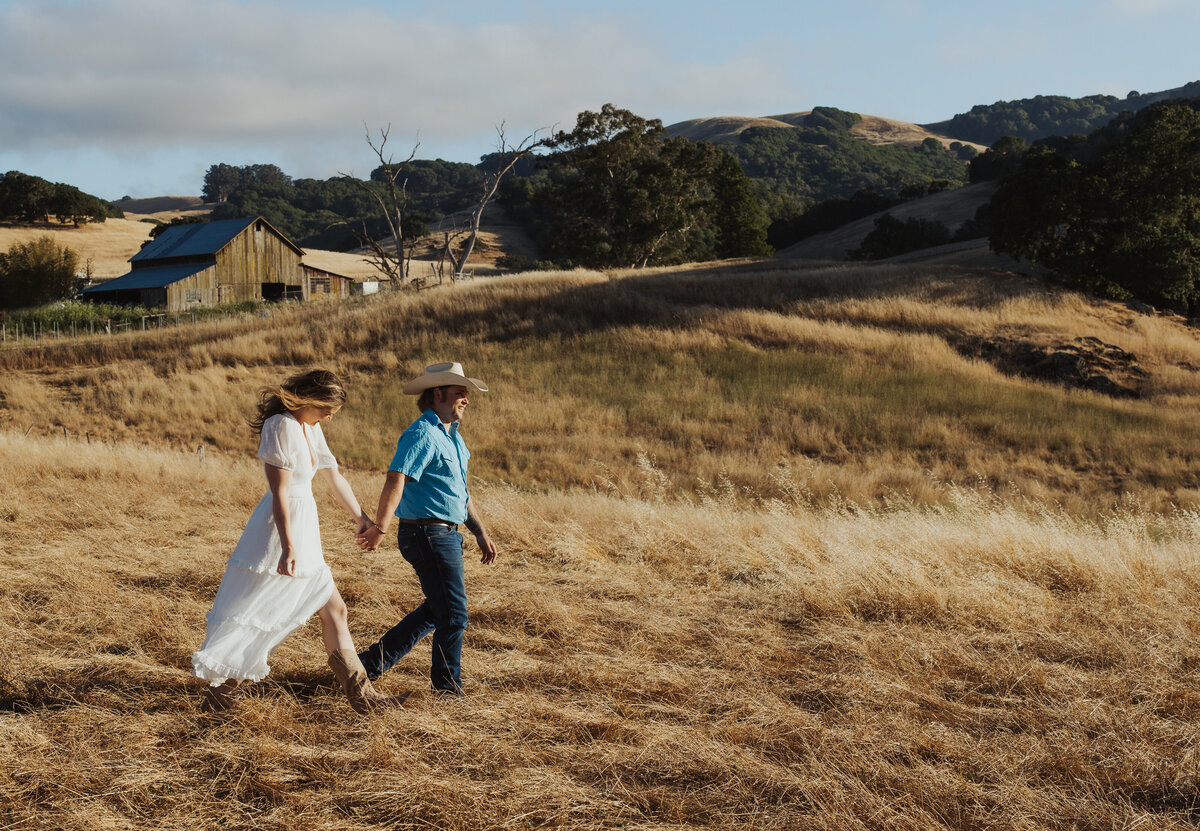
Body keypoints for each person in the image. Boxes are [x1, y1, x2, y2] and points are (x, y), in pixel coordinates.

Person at [191, 369, 408, 714]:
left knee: (335, 609)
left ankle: (365, 699)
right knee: (262, 611)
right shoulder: (280, 426)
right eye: (328, 407)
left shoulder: (311, 427)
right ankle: (218, 697)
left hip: (305, 529)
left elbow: (333, 477)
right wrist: (289, 546)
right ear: (310, 398)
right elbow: (279, 492)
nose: (331, 414)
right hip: (280, 531)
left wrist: (361, 518)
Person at [356, 361, 498, 695]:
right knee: (454, 614)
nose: (466, 399)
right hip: (427, 534)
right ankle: (447, 690)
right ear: (439, 394)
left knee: (438, 610)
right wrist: (380, 526)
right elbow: (397, 476)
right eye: (460, 392)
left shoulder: (454, 441)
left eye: (465, 393)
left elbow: (460, 495)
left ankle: (367, 664)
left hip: (446, 533)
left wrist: (479, 531)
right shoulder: (423, 434)